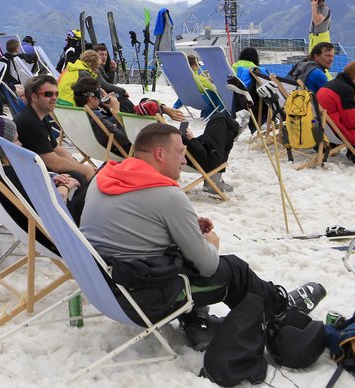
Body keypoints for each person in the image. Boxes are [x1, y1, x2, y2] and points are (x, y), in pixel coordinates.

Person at [80, 123, 325, 348]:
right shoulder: (166, 195)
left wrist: (181, 226)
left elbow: (133, 225)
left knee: (184, 252)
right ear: (160, 154)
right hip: (141, 301)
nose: (185, 158)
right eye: (180, 151)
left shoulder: (107, 176)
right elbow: (208, 266)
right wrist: (211, 243)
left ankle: (197, 321)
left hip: (104, 287)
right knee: (233, 270)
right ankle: (281, 309)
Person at [73, 76, 238, 192]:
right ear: (92, 99)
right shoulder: (99, 118)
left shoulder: (82, 116)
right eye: (100, 95)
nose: (105, 97)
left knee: (219, 127)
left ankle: (228, 134)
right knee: (221, 119)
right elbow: (124, 137)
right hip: (181, 152)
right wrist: (116, 112)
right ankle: (231, 136)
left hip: (166, 147)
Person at [0, 117, 87, 227]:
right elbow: (52, 212)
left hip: (29, 221)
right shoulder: (9, 177)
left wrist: (51, 179)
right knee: (79, 180)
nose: (20, 144)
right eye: (16, 140)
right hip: (56, 228)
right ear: (1, 148)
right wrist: (65, 187)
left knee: (74, 176)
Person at [13, 75, 97, 182]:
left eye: (56, 94)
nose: (54, 97)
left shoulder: (40, 118)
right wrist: (85, 170)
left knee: (78, 173)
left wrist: (81, 167)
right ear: (34, 97)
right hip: (31, 178)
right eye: (48, 94)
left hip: (39, 170)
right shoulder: (29, 122)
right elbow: (54, 163)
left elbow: (57, 149)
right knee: (78, 178)